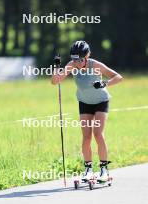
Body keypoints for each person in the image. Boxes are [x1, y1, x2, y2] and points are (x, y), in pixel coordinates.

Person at [52, 40, 122, 181]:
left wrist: (104, 83)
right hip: (84, 102)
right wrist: (56, 68)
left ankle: (104, 169)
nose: (77, 62)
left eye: (80, 59)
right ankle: (88, 169)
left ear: (87, 56)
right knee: (86, 137)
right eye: (74, 59)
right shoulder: (71, 66)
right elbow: (55, 81)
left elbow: (118, 77)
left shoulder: (95, 65)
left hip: (101, 101)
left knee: (98, 134)